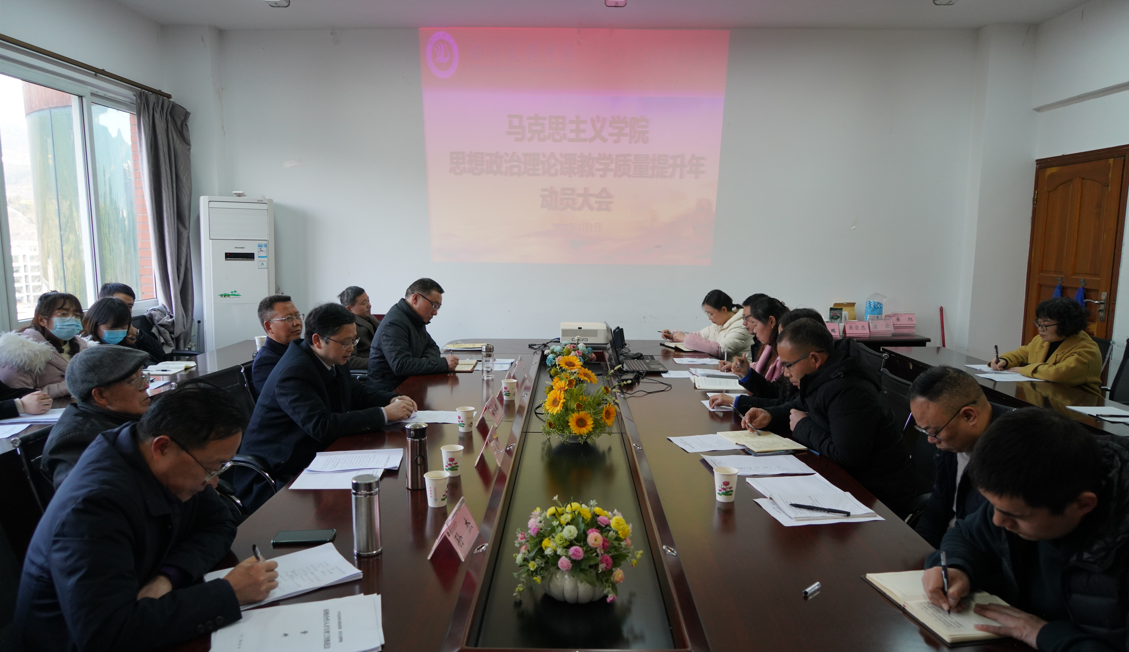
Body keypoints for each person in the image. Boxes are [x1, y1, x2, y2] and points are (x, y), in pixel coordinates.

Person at [12, 384, 279, 651]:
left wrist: (169, 575)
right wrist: (228, 593)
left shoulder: (171, 458)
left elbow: (219, 522)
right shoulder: (93, 507)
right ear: (162, 447)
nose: (214, 481)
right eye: (213, 468)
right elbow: (106, 633)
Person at [922, 408, 1129, 651]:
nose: (997, 520)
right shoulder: (1023, 491)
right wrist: (957, 567)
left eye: (1013, 515)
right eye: (994, 507)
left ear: (1082, 505)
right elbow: (968, 536)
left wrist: (1043, 634)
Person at [235, 303, 417, 513]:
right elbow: (321, 426)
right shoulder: (294, 371)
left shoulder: (332, 357)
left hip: (316, 453)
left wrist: (393, 398)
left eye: (354, 340)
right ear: (317, 340)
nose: (351, 348)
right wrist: (384, 414)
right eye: (346, 342)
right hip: (279, 470)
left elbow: (357, 392)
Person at [743, 318, 916, 516]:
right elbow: (799, 405)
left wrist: (802, 426)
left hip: (875, 496)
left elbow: (847, 457)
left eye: (788, 366)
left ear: (815, 359)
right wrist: (770, 415)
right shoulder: (824, 373)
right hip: (844, 480)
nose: (785, 373)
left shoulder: (849, 391)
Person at [907, 365, 1009, 548]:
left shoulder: (1015, 454)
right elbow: (935, 511)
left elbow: (993, 540)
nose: (930, 440)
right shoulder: (952, 446)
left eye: (934, 431)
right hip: (951, 550)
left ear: (969, 416)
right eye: (924, 431)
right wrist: (918, 553)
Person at [41, 345, 153, 488]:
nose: (145, 386)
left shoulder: (124, 416)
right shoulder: (76, 441)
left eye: (143, 377)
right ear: (100, 395)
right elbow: (90, 495)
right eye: (135, 381)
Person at [990, 297, 1102, 396]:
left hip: (1076, 403)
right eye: (1038, 323)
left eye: (1045, 324)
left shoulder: (1086, 349)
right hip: (1044, 396)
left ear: (1065, 324)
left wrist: (1023, 369)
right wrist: (1005, 360)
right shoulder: (1041, 340)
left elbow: (1058, 374)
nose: (1040, 329)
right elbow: (1021, 355)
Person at [367, 278, 458, 393]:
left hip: (411, 384)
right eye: (434, 305)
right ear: (415, 298)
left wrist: (425, 361)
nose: (435, 312)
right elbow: (401, 365)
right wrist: (443, 364)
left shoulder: (415, 319)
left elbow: (432, 346)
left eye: (438, 307)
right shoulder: (394, 323)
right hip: (390, 393)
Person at [0, 291, 87, 408]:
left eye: (76, 315)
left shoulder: (84, 347)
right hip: (47, 413)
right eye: (63, 314)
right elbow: (20, 397)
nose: (72, 319)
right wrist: (68, 386)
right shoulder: (21, 352)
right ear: (42, 320)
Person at [709, 296, 788, 412]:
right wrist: (746, 371)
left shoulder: (785, 354)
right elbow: (771, 391)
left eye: (754, 324)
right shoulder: (768, 346)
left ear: (771, 321)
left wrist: (735, 401)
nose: (754, 330)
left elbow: (780, 400)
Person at [661, 289, 755, 358]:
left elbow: (720, 350)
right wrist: (674, 335)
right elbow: (700, 336)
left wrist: (685, 338)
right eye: (708, 314)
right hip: (722, 368)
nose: (709, 318)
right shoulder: (719, 324)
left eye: (711, 314)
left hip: (737, 374)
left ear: (723, 310)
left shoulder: (741, 325)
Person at [99, 282, 167, 363]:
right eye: (119, 304)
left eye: (129, 306)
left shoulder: (129, 331)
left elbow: (160, 355)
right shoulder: (95, 337)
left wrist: (138, 334)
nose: (124, 310)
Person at [81, 297, 159, 365]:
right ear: (95, 324)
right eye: (113, 328)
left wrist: (137, 334)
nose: (118, 332)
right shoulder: (85, 349)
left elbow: (159, 356)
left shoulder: (126, 342)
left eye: (123, 327)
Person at [250, 294, 303, 394]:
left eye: (297, 316)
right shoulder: (265, 363)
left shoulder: (303, 347)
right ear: (269, 326)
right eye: (288, 318)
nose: (297, 323)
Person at [339, 285, 381, 371]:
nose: (369, 305)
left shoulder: (371, 318)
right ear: (349, 309)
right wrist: (379, 362)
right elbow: (350, 360)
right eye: (363, 303)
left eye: (368, 301)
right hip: (369, 370)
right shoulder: (347, 328)